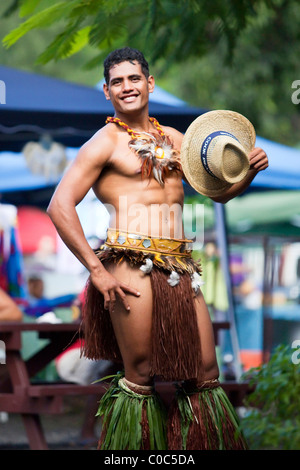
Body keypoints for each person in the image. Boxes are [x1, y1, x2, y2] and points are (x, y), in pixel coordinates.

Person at [47, 47, 268, 450]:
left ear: (149, 83)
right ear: (106, 91)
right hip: (130, 264)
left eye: (134, 79)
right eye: (117, 82)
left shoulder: (177, 140)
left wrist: (248, 172)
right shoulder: (105, 142)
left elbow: (218, 194)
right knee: (142, 375)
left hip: (180, 266)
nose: (126, 87)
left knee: (204, 372)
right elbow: (59, 205)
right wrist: (97, 272)